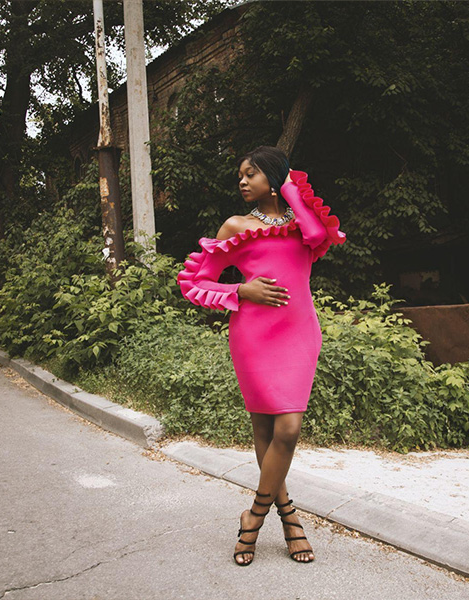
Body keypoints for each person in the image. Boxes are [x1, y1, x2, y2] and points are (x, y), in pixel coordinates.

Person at [176, 145, 346, 566]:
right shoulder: (235, 226)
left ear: (273, 177)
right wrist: (241, 290)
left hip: (300, 333)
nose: (242, 181)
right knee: (266, 431)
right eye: (241, 175)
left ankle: (256, 513)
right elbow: (194, 283)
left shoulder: (305, 226)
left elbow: (317, 236)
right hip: (254, 334)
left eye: (250, 173)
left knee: (288, 429)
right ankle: (289, 519)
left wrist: (290, 190)